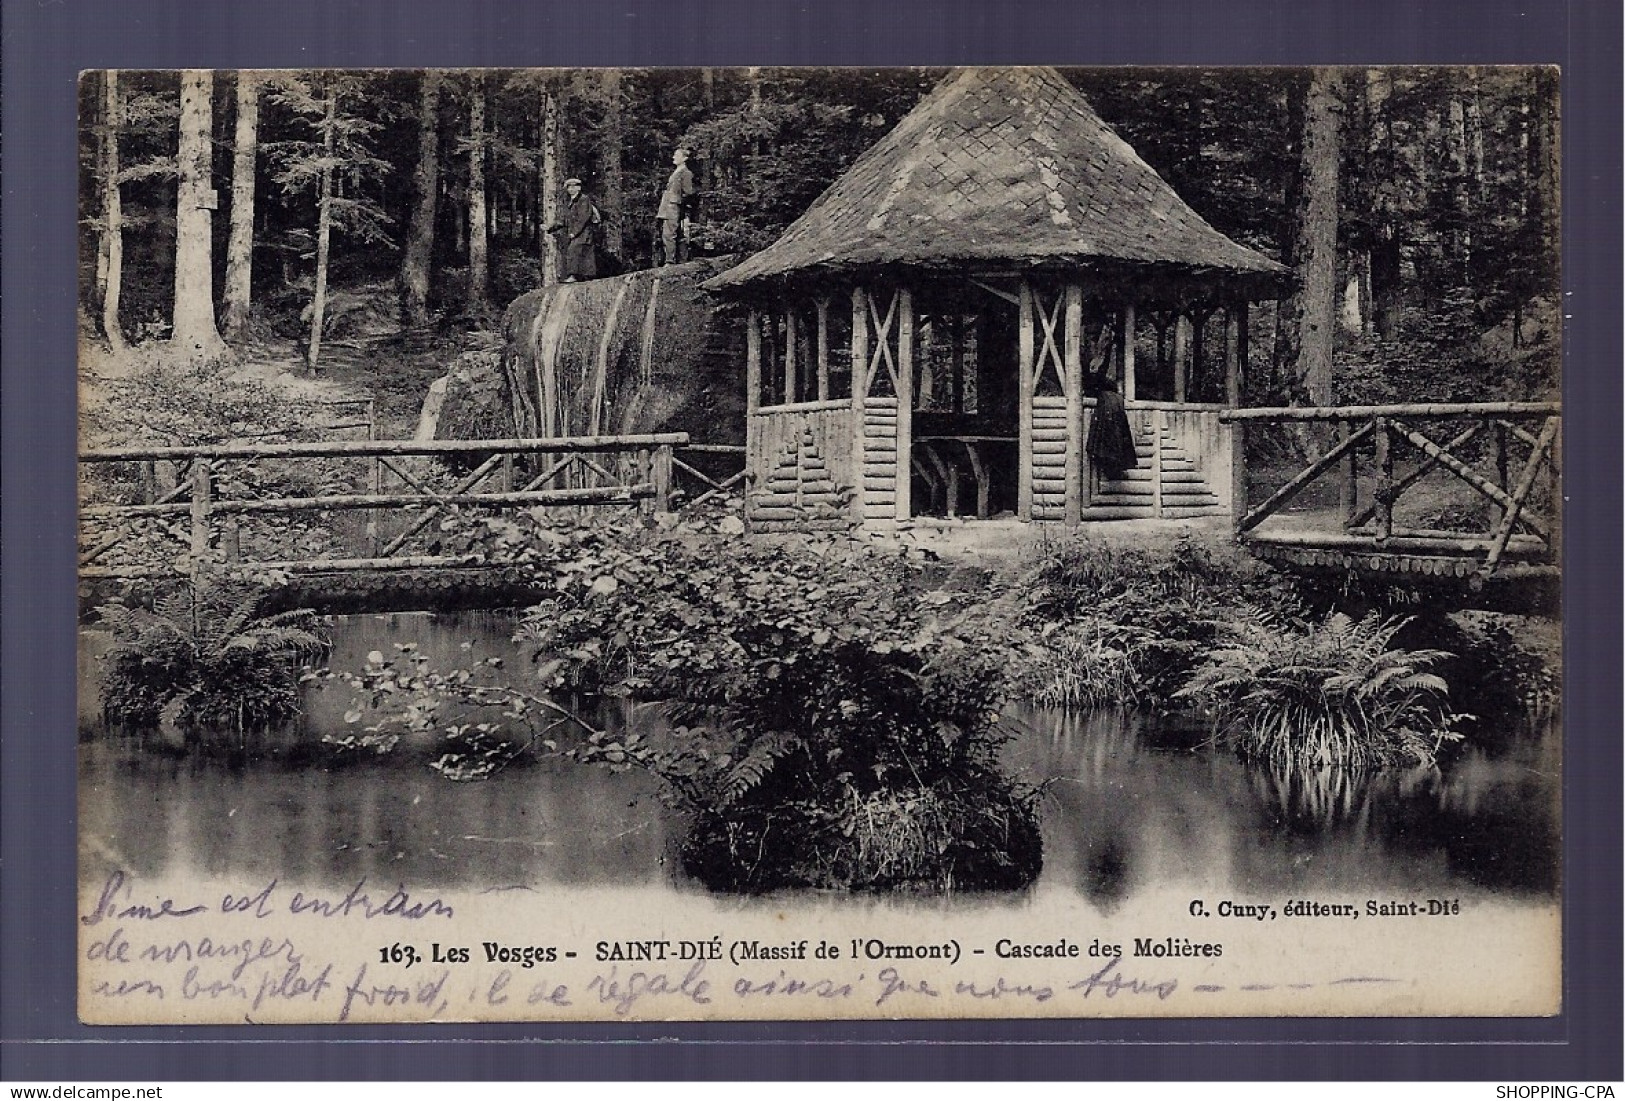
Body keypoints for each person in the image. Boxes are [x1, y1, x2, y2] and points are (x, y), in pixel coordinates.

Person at [1085, 371, 1139, 481]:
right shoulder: (1116, 398)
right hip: (1114, 437)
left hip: (1110, 438)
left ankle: (1111, 468)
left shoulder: (1107, 397)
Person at [548, 177, 600, 282]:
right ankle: (582, 276)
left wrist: (574, 233)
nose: (571, 189)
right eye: (569, 187)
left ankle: (574, 276)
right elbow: (563, 220)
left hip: (584, 232)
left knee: (575, 250)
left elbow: (583, 218)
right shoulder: (569, 203)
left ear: (579, 188)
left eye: (574, 187)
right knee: (577, 252)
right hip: (576, 233)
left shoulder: (583, 199)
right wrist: (550, 228)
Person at [655, 147, 698, 266]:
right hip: (668, 206)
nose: (674, 157)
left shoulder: (686, 173)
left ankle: (671, 261)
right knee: (668, 234)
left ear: (684, 158)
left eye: (677, 155)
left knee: (670, 234)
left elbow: (688, 192)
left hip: (674, 206)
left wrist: (683, 208)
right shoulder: (677, 172)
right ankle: (672, 260)